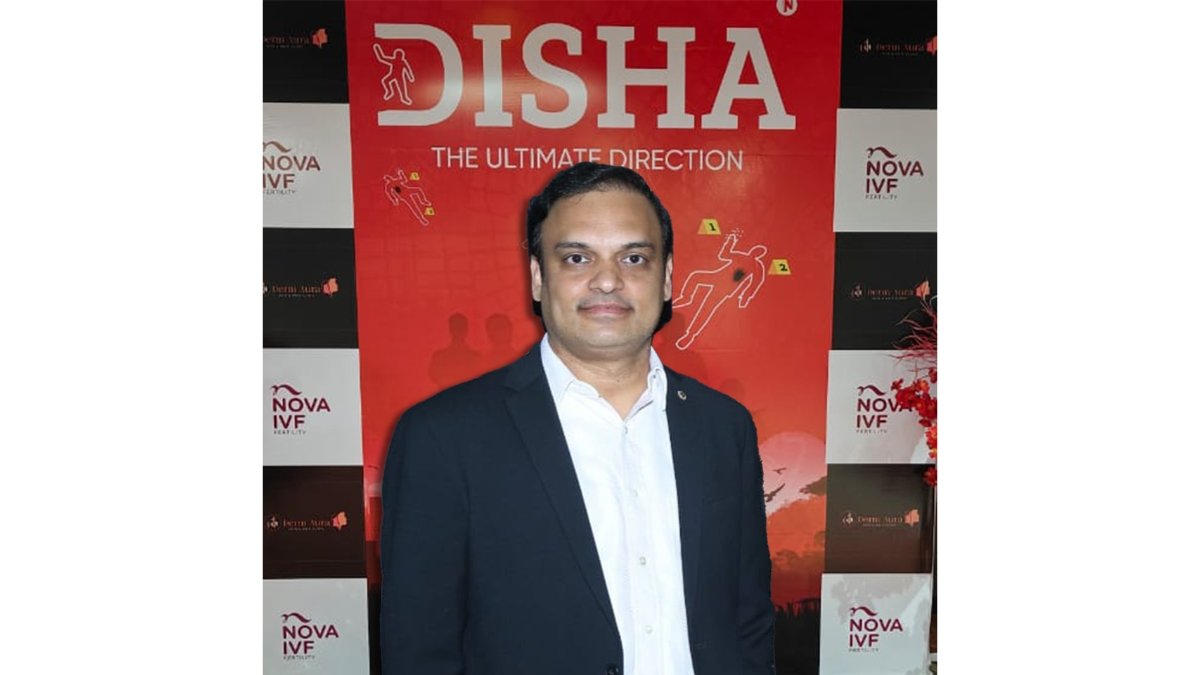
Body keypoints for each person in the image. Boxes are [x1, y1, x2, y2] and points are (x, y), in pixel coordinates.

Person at [380, 162, 774, 675]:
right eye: (577, 258)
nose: (607, 280)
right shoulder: (442, 437)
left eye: (634, 258)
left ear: (667, 278)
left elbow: (749, 622)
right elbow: (419, 649)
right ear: (538, 278)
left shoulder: (725, 428)